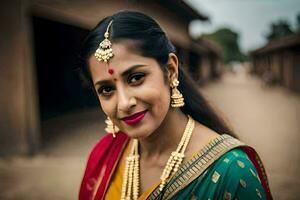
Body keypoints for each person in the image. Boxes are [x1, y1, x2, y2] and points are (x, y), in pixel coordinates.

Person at [78, 10, 272, 200]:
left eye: (136, 78)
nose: (123, 103)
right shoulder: (104, 156)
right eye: (106, 90)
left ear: (170, 70)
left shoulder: (231, 172)